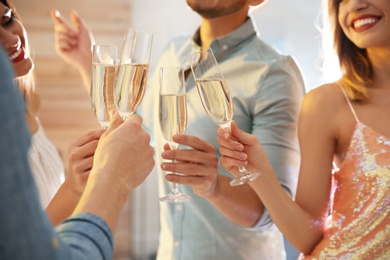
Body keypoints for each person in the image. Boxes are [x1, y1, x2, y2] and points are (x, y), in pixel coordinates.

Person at [51, 1, 306, 259]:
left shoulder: (275, 72)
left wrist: (214, 186)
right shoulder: (173, 52)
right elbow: (136, 123)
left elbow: (273, 214)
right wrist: (86, 61)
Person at [216, 0, 390, 258]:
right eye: (342, 0)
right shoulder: (328, 104)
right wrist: (259, 172)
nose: (355, 4)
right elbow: (307, 236)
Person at [0, 44, 155, 259]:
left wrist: (74, 186)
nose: (9, 37)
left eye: (8, 20)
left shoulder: (26, 103)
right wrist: (112, 179)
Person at [0, 0, 99, 225]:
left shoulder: (20, 104)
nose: (13, 39)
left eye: (7, 21)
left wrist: (86, 61)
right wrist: (73, 187)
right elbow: (22, 247)